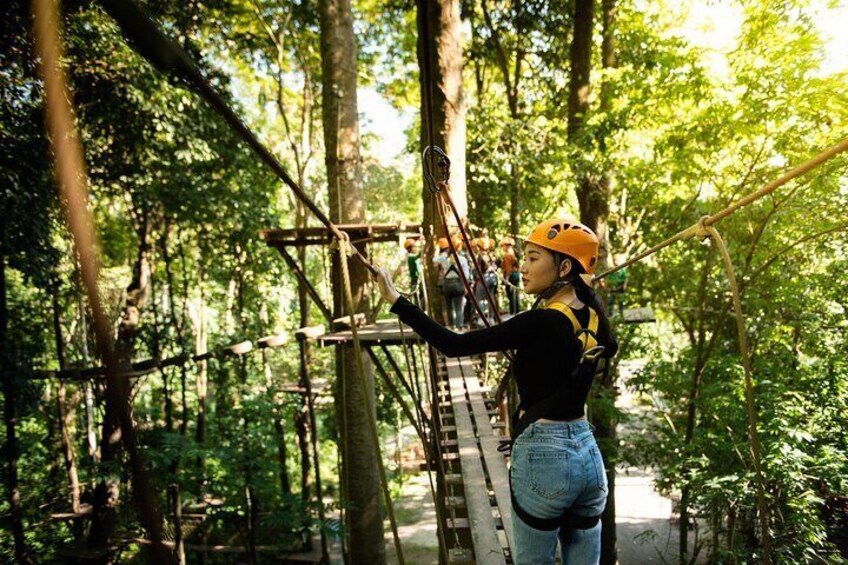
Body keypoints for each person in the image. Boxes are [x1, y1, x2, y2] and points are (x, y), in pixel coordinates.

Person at [373, 219, 618, 564]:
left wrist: (397, 300)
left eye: (533, 258)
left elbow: (453, 344)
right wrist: (581, 288)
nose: (523, 267)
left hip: (545, 457)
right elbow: (611, 346)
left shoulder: (541, 322)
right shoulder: (593, 316)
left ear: (564, 267)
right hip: (587, 458)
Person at [433, 235, 471, 328]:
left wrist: (437, 249)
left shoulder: (444, 258)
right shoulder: (462, 259)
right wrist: (466, 286)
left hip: (447, 284)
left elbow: (434, 260)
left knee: (449, 307)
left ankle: (451, 326)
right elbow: (466, 275)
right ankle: (459, 326)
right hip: (458, 284)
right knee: (459, 307)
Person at [500, 236, 521, 314]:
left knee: (511, 294)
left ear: (506, 245)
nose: (502, 248)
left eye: (503, 246)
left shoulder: (507, 255)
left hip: (511, 275)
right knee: (515, 294)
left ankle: (513, 312)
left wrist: (506, 280)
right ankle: (517, 311)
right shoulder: (514, 253)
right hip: (517, 274)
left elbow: (508, 269)